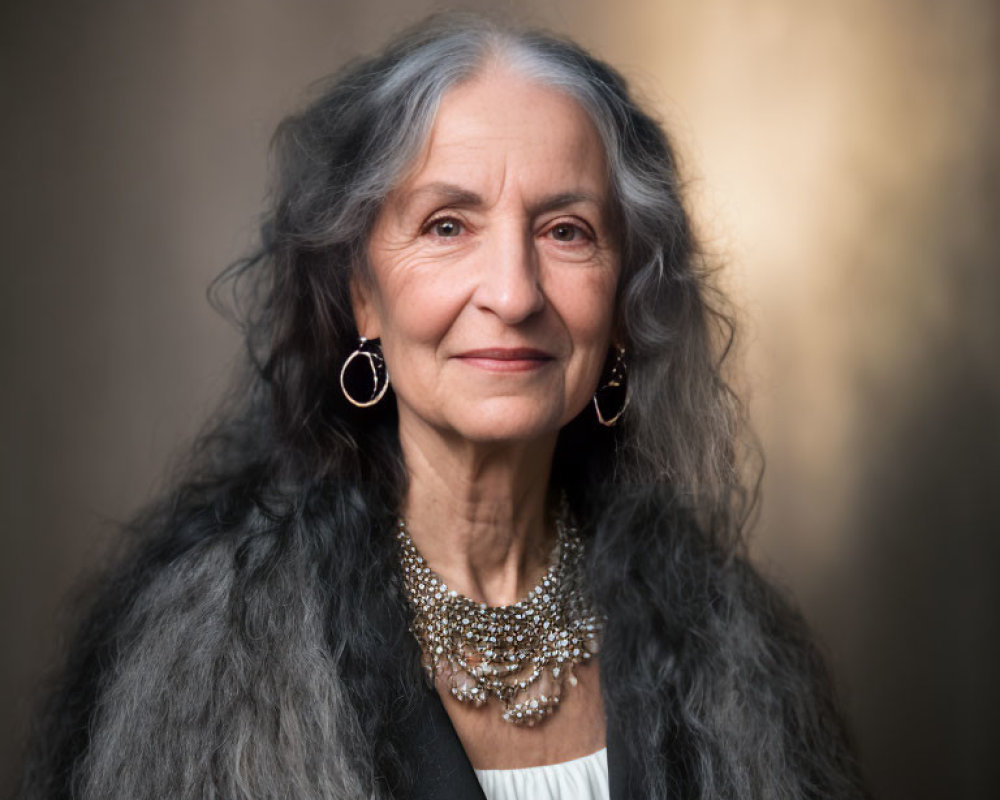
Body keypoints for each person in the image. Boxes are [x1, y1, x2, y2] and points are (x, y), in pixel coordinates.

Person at [19, 14, 869, 800]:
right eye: (447, 226)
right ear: (362, 298)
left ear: (622, 302)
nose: (512, 292)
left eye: (566, 230)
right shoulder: (211, 655)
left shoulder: (726, 645)